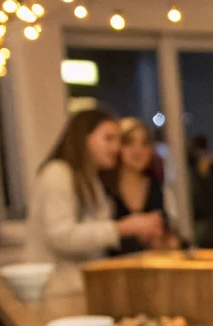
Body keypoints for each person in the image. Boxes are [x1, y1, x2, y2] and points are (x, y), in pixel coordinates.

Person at [23, 106, 162, 291]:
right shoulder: (57, 173)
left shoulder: (91, 179)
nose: (116, 147)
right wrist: (122, 228)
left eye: (118, 140)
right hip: (54, 288)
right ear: (83, 138)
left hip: (77, 286)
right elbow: (60, 236)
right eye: (108, 139)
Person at [108, 117, 172, 254]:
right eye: (129, 143)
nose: (138, 150)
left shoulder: (156, 185)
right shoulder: (105, 188)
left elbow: (165, 231)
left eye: (144, 144)